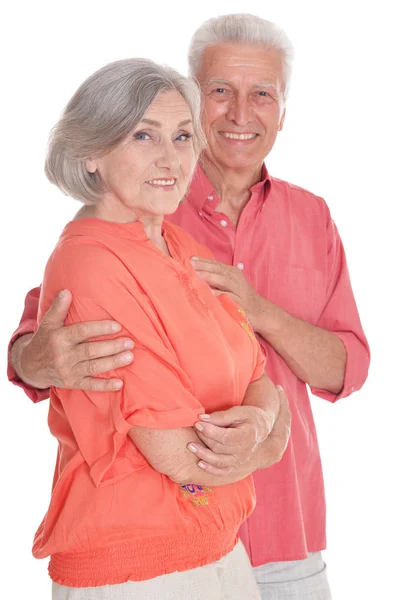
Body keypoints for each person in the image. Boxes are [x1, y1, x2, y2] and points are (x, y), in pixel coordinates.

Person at [8, 13, 369, 600]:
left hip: (284, 526)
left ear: (285, 110)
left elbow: (348, 367)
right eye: (221, 91)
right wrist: (30, 358)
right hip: (148, 535)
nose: (241, 113)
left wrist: (259, 313)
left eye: (263, 95)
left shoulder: (311, 217)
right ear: (197, 100)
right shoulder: (142, 203)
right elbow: (48, 321)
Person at [25, 57, 288, 599]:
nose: (171, 158)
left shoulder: (183, 248)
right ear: (92, 153)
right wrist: (269, 439)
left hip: (219, 548)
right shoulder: (90, 264)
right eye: (144, 135)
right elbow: (175, 454)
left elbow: (260, 376)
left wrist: (261, 422)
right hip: (136, 568)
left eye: (183, 135)